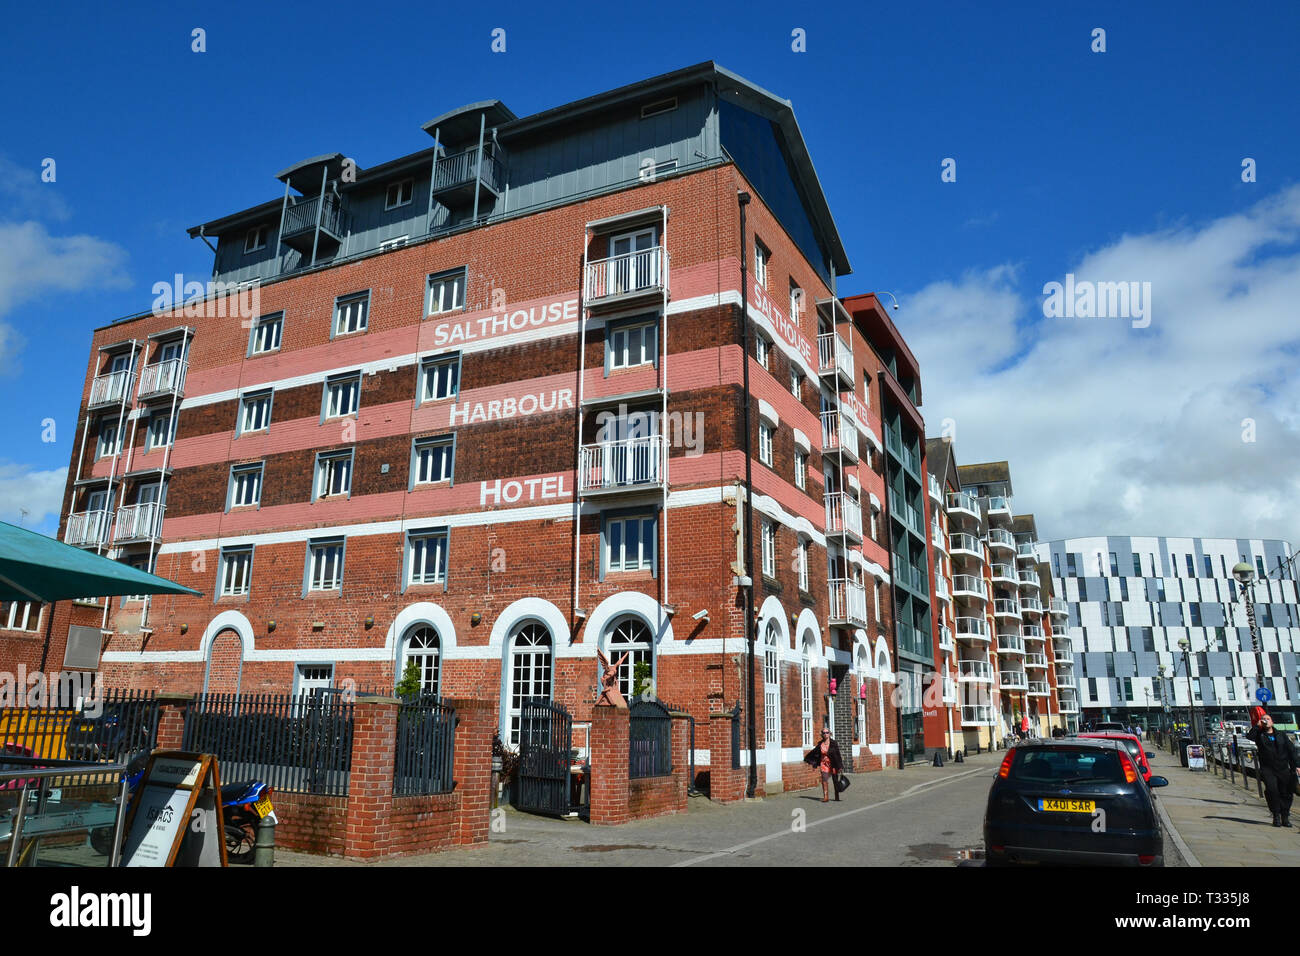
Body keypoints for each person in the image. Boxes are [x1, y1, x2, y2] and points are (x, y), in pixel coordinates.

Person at [1247, 711, 1298, 827]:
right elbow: (1249, 736)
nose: (1265, 720)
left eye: (1267, 719)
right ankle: (1276, 815)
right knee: (1272, 790)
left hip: (1283, 768)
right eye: (1263, 719)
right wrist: (1257, 726)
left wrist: (1296, 766)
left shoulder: (1281, 735)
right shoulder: (1259, 735)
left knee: (1286, 792)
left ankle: (1285, 816)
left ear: (1272, 722)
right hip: (1268, 768)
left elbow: (1291, 750)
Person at [804, 727, 844, 803]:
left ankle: (836, 794)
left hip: (833, 763)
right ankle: (826, 796)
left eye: (827, 732)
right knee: (824, 779)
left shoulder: (834, 743)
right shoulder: (820, 744)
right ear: (822, 734)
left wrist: (840, 766)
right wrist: (809, 759)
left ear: (830, 734)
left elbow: (838, 755)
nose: (825, 734)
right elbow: (814, 752)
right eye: (824, 733)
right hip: (824, 764)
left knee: (835, 780)